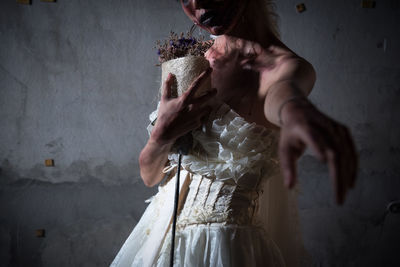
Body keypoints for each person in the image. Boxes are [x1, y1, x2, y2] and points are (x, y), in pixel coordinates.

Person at [110, 0, 358, 266]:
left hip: (224, 248)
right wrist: (162, 135)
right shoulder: (191, 60)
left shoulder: (286, 67)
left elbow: (281, 95)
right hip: (155, 243)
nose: (198, 5)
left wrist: (295, 112)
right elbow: (150, 176)